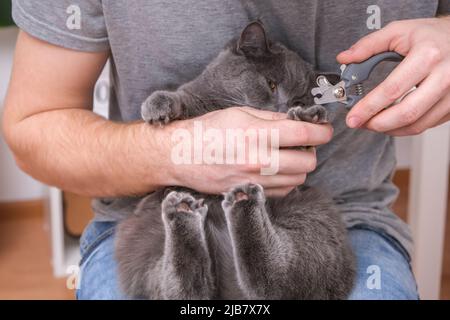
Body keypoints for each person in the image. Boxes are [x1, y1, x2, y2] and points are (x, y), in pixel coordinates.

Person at [2, 0, 449, 299]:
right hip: (154, 215)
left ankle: (254, 246)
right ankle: (187, 257)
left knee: (310, 258)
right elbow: (32, 128)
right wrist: (173, 153)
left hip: (333, 220)